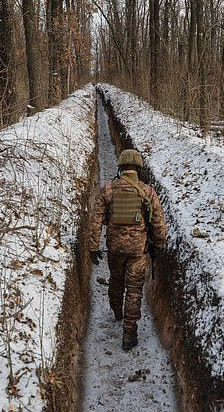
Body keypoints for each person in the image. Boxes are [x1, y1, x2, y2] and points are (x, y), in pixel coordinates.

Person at [87, 149, 167, 350]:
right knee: (134, 290)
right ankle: (129, 333)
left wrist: (92, 247)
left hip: (114, 249)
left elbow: (95, 220)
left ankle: (116, 309)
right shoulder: (147, 192)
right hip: (137, 251)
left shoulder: (108, 190)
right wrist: (158, 246)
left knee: (115, 280)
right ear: (138, 168)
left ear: (121, 167)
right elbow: (158, 225)